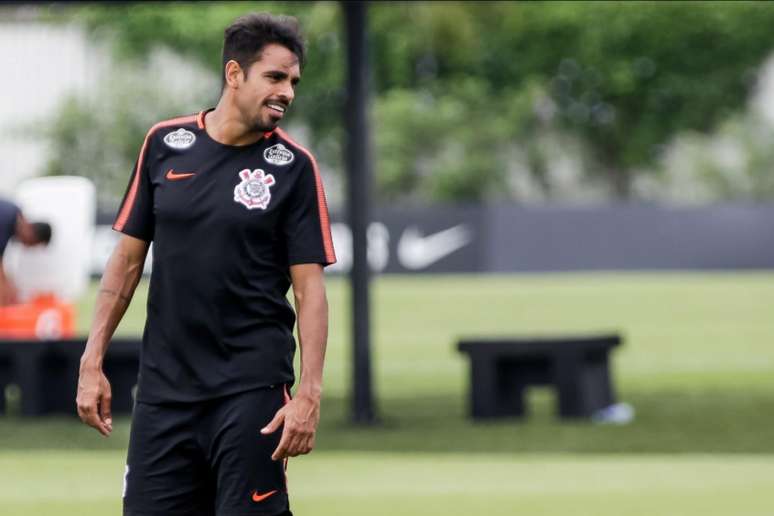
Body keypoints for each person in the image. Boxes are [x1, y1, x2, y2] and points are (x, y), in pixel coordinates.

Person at [76, 12, 336, 516]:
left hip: (252, 391)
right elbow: (126, 263)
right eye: (275, 77)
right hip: (162, 392)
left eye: (294, 82)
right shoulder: (163, 144)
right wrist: (92, 360)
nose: (287, 92)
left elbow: (310, 291)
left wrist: (309, 393)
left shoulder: (295, 168)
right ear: (234, 74)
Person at [0, 198, 52, 305]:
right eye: (31, 244)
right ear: (31, 231)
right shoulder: (5, 220)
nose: (26, 247)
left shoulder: (14, 213)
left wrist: (9, 286)